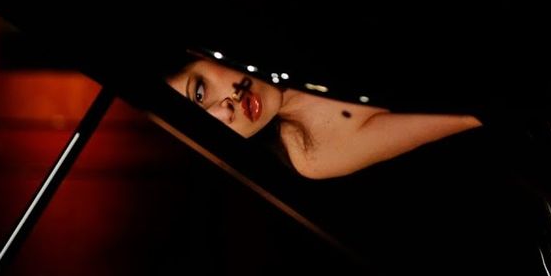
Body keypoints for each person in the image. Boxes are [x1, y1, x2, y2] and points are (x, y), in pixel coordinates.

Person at [166, 56, 483, 179]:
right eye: (207, 130)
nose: (224, 112)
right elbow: (471, 112)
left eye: (199, 93)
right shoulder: (313, 152)